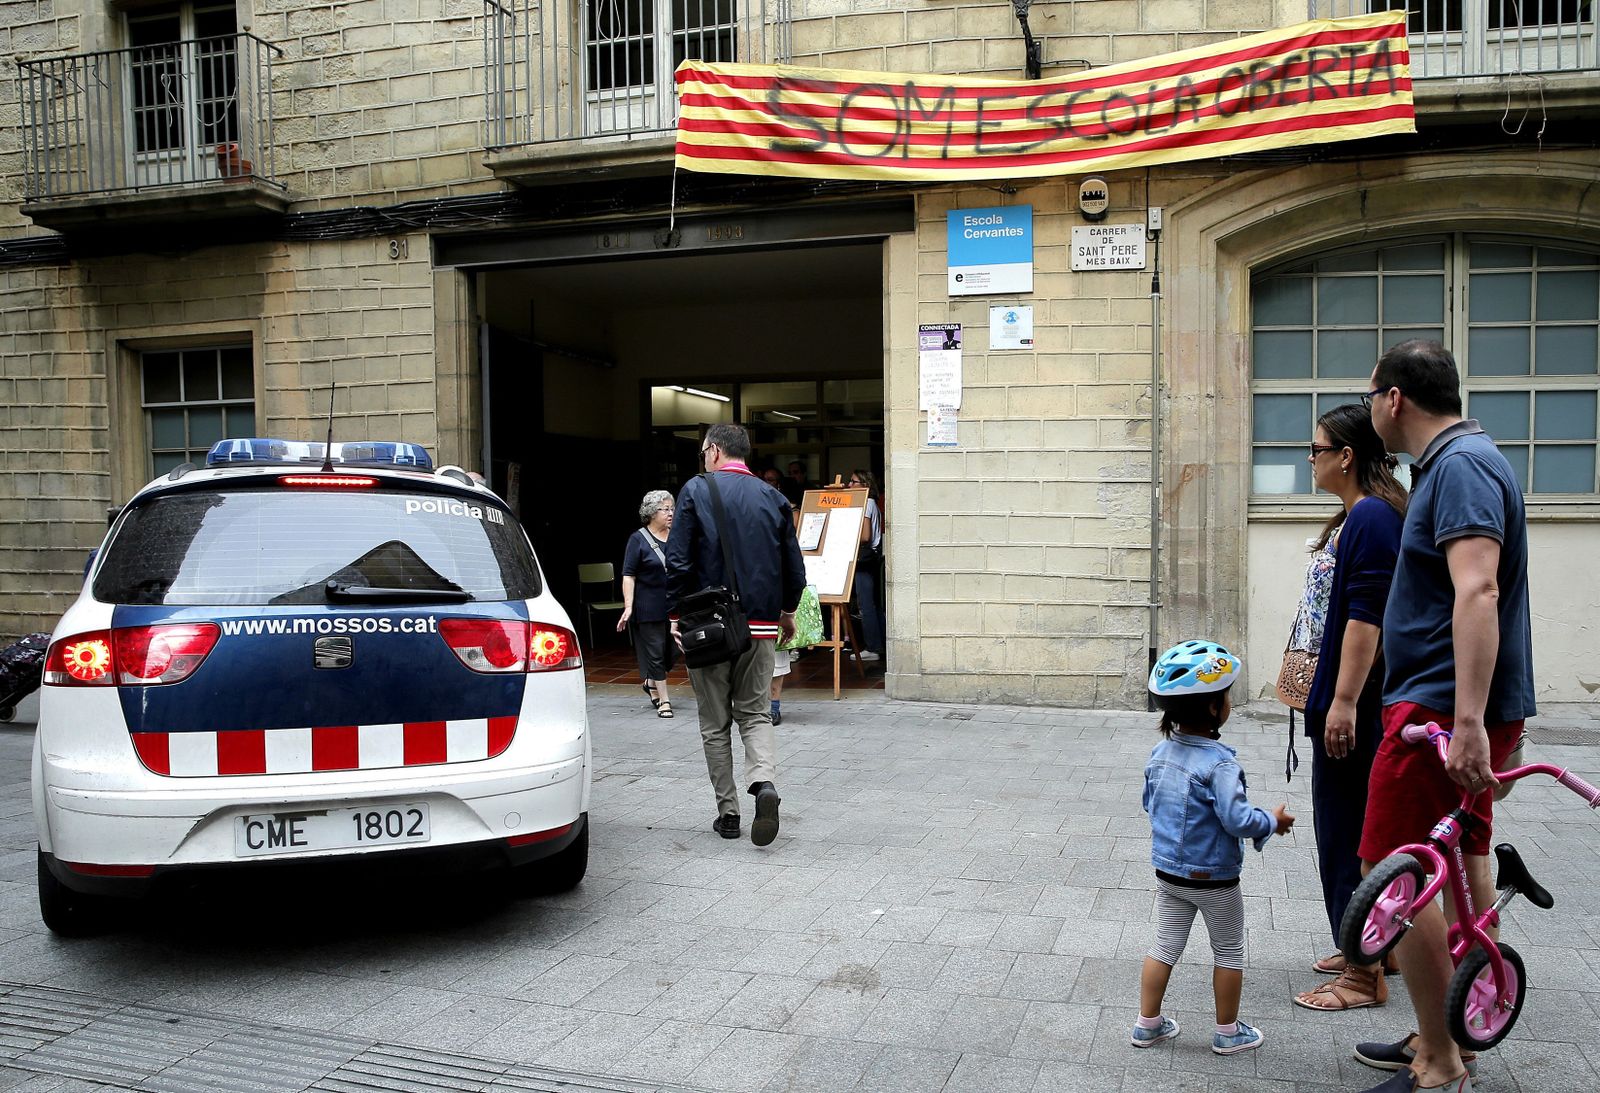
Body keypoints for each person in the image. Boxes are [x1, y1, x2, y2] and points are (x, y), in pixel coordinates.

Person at [1352, 340, 1536, 1093]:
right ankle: (1458, 1023)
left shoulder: (1459, 467)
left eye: (1371, 395)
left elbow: (1479, 591)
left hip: (1438, 707)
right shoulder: (1469, 459)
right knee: (1463, 861)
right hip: (1454, 703)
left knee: (1396, 867)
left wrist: (1464, 722)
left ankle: (1439, 1059)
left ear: (1395, 399)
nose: (1370, 407)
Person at [1293, 405, 1407, 1012]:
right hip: (1350, 697)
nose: (1308, 459)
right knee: (1355, 824)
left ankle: (1364, 971)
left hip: (1356, 703)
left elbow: (1369, 616)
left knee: (1346, 830)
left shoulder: (1369, 516)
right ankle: (1371, 944)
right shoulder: (1362, 515)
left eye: (1316, 448)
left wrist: (1343, 701)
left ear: (1346, 456)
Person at [1135, 640, 1294, 1057]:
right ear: (1212, 708)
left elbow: (1150, 803)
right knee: (1229, 950)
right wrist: (1272, 822)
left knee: (1164, 946)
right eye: (1225, 696)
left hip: (1168, 873)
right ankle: (1227, 1032)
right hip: (1215, 879)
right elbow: (1237, 820)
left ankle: (1147, 1025)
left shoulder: (1160, 752)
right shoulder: (1220, 765)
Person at [666, 423, 806, 847]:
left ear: (712, 451)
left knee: (714, 723)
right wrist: (786, 612)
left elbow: (678, 559)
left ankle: (728, 814)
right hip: (760, 627)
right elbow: (794, 569)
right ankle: (763, 784)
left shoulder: (695, 490)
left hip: (709, 628)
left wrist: (676, 614)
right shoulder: (775, 498)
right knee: (755, 713)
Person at [619, 490, 677, 719]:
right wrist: (628, 606)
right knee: (655, 653)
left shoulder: (677, 536)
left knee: (674, 649)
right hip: (648, 605)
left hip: (674, 604)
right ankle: (664, 700)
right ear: (652, 512)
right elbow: (628, 575)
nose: (671, 513)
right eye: (666, 509)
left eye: (672, 508)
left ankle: (651, 681)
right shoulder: (638, 539)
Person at [848, 470, 884, 662]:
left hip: (865, 559)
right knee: (873, 603)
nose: (849, 485)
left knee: (865, 604)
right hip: (872, 559)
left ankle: (872, 646)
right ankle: (878, 644)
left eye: (853, 482)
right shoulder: (872, 504)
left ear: (864, 485)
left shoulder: (866, 503)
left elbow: (865, 536)